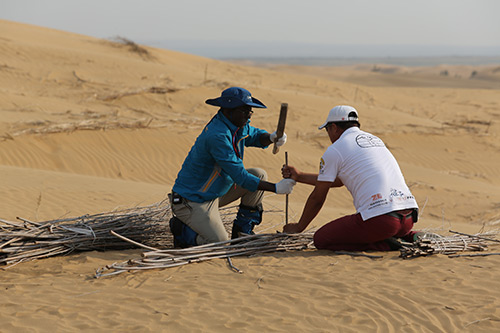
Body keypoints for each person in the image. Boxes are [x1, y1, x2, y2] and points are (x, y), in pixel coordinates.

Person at [169, 87, 296, 248]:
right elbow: (240, 176)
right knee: (219, 244)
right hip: (192, 200)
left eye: (250, 110)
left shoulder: (236, 125)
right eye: (244, 110)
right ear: (228, 110)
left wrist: (271, 138)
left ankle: (242, 231)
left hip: (215, 194)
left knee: (259, 174)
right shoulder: (217, 136)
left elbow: (255, 135)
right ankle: (181, 232)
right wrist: (277, 188)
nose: (249, 114)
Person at [282, 105, 419, 251]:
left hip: (381, 221)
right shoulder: (375, 140)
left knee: (321, 240)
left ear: (334, 127)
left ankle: (384, 245)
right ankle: (409, 236)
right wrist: (300, 176)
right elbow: (339, 181)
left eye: (327, 130)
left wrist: (298, 227)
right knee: (386, 226)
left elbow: (317, 198)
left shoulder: (335, 150)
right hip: (408, 219)